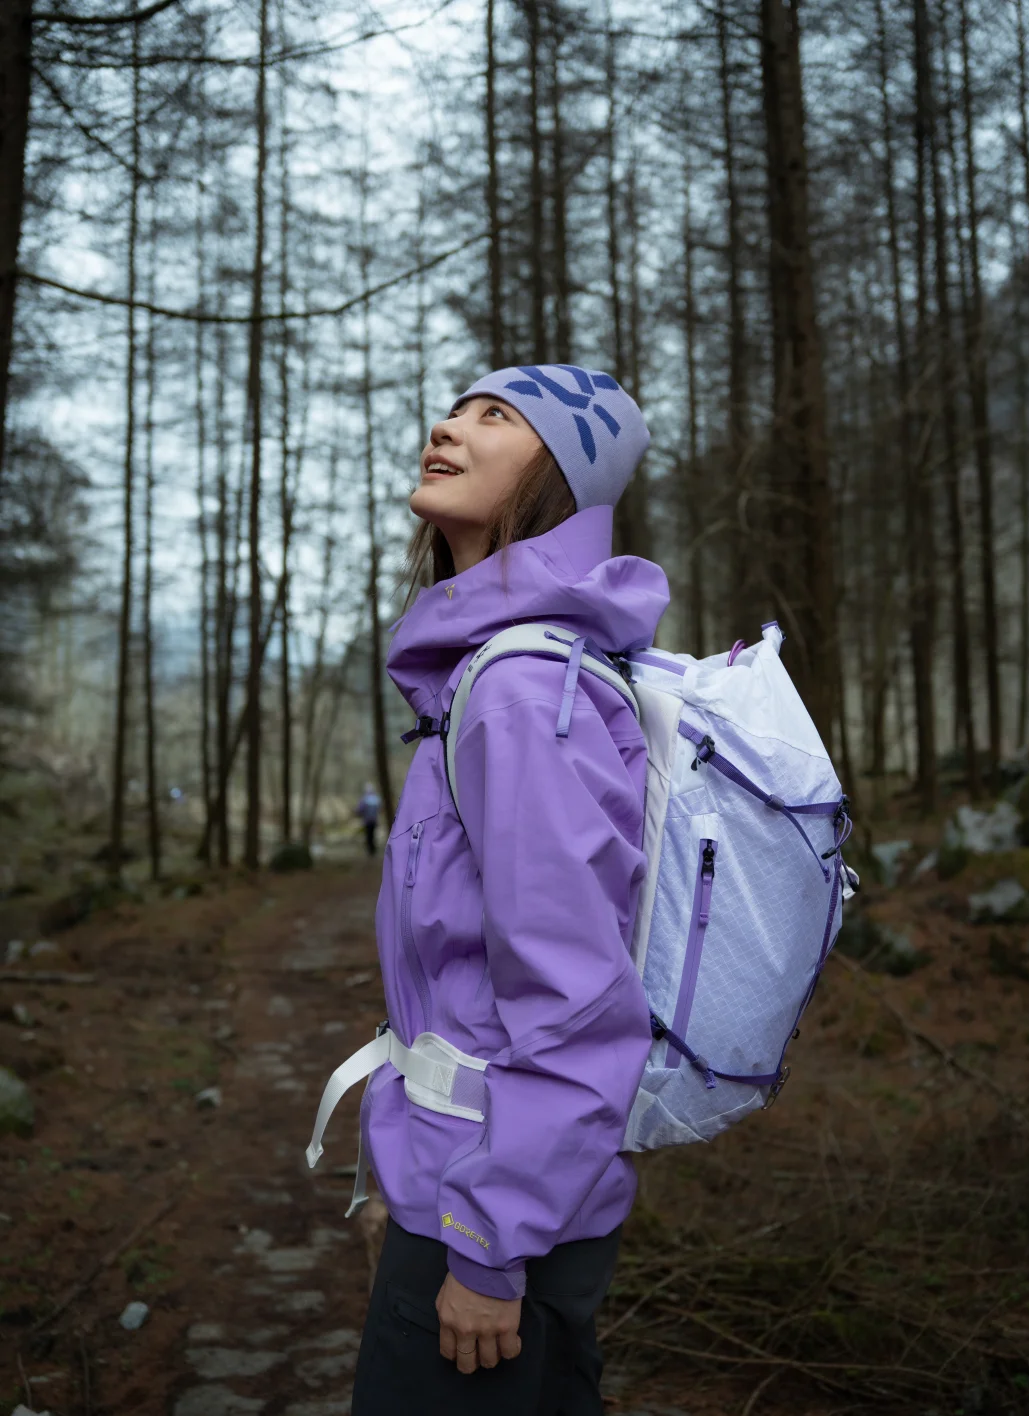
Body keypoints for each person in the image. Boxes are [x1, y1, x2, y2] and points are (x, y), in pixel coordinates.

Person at [351, 364, 668, 1416]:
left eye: (496, 416)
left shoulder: (519, 692)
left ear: (560, 478)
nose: (449, 426)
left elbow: (577, 1000)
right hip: (481, 1179)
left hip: (499, 1210)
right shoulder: (494, 675)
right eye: (455, 408)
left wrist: (486, 1245)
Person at [355, 783, 381, 856]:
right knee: (373, 834)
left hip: (367, 820)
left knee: (368, 835)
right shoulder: (376, 799)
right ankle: (373, 849)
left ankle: (370, 850)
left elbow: (360, 809)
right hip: (374, 820)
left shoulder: (364, 799)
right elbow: (379, 808)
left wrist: (358, 813)